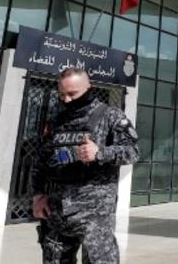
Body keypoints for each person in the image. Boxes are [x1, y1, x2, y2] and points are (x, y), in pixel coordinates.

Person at [30, 67, 139, 264]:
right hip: (56, 213)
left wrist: (100, 153)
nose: (67, 100)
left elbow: (132, 152)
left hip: (94, 215)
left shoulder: (111, 116)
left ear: (89, 88)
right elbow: (41, 159)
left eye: (73, 94)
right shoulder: (57, 118)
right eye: (62, 94)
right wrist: (38, 195)